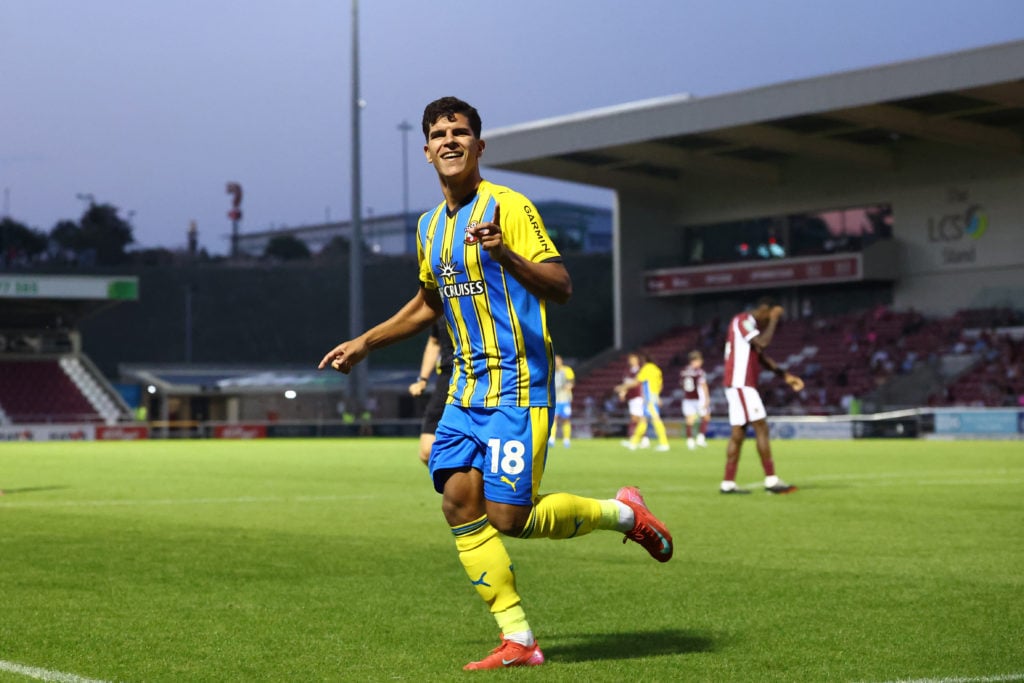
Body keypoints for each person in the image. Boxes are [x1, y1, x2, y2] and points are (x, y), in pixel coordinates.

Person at [318, 97, 673, 671]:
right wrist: (366, 342)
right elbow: (426, 305)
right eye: (439, 133)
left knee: (512, 518)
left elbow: (560, 285)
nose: (449, 140)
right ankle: (520, 640)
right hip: (464, 392)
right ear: (427, 149)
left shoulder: (509, 207)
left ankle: (626, 515)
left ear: (479, 147)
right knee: (458, 503)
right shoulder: (429, 227)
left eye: (461, 132)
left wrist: (504, 253)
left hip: (518, 388)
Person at [720, 297, 804, 494]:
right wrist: (773, 319)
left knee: (738, 434)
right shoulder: (744, 319)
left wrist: (785, 376)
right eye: (771, 315)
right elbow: (763, 343)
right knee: (761, 427)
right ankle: (771, 480)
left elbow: (761, 356)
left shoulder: (742, 324)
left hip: (736, 384)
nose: (769, 321)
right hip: (741, 384)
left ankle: (728, 483)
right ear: (765, 309)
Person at [408, 319, 455, 466]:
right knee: (427, 451)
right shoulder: (440, 306)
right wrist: (422, 379)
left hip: (481, 375)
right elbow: (434, 342)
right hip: (447, 377)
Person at [615, 352, 671, 452]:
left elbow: (637, 382)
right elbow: (660, 385)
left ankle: (664, 443)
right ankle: (634, 443)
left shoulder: (647, 368)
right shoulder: (657, 370)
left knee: (656, 419)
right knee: (643, 421)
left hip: (649, 398)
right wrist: (657, 396)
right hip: (653, 396)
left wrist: (622, 387)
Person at [679, 350, 710, 450]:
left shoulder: (683, 371)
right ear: (695, 361)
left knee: (689, 420)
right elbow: (703, 385)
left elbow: (681, 384)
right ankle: (700, 438)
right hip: (698, 398)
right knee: (706, 417)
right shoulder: (699, 372)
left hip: (687, 398)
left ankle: (690, 441)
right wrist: (707, 398)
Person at [619, 354, 650, 448]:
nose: (632, 361)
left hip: (639, 396)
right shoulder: (627, 372)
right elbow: (625, 384)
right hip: (631, 397)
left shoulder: (641, 371)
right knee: (635, 418)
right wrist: (623, 392)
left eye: (634, 359)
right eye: (631, 359)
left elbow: (638, 383)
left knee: (638, 418)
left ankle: (640, 438)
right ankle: (640, 438)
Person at [549, 355, 574, 448]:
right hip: (555, 399)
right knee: (554, 418)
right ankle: (552, 439)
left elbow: (571, 382)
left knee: (565, 419)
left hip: (565, 399)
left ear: (561, 361)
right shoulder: (551, 371)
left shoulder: (567, 370)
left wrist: (569, 386)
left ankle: (566, 439)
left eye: (557, 361)